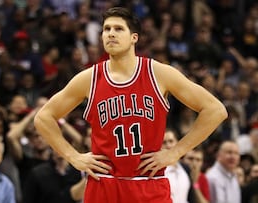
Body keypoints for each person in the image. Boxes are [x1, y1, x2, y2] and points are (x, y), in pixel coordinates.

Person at [34, 6, 227, 203]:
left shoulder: (158, 74)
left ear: (134, 37)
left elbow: (215, 110)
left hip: (149, 183)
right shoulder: (89, 79)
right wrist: (73, 157)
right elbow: (43, 117)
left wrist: (175, 152)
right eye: (106, 29)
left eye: (118, 29)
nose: (110, 34)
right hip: (105, 184)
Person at [163, 129, 194, 203]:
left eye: (171, 141)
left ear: (177, 142)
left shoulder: (186, 168)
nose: (168, 145)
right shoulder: (157, 171)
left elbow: (190, 196)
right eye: (164, 142)